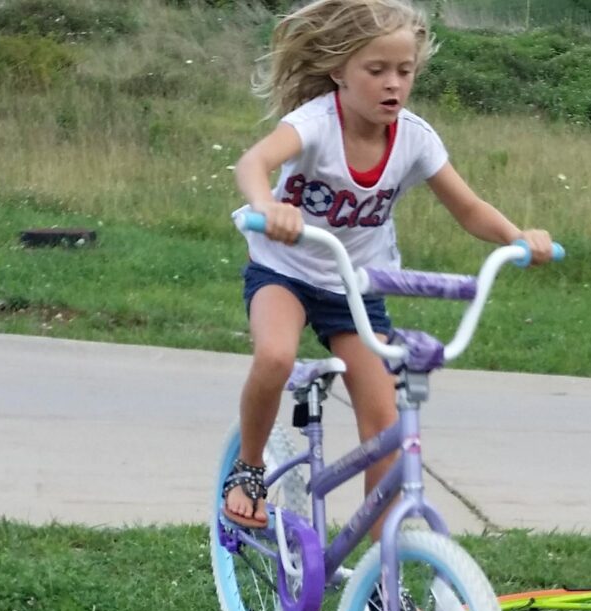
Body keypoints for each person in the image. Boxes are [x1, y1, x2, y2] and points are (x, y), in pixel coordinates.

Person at [222, 0, 553, 531]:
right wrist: (267, 206)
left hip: (354, 285)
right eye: (376, 70)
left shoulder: (416, 140)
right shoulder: (315, 123)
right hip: (283, 268)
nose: (392, 84)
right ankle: (250, 466)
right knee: (276, 356)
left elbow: (468, 209)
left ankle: (384, 570)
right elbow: (253, 163)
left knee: (384, 425)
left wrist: (518, 237)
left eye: (404, 71)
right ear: (339, 71)